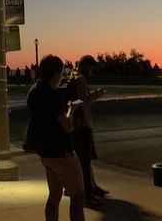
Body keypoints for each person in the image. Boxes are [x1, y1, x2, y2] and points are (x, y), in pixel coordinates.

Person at [26, 54, 85, 221]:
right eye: (61, 74)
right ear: (56, 74)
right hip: (60, 152)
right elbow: (66, 126)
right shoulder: (51, 95)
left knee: (54, 196)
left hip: (45, 151)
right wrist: (71, 110)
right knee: (78, 196)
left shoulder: (34, 91)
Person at [68, 55, 108, 205]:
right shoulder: (80, 79)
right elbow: (82, 101)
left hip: (76, 125)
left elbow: (78, 100)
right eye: (91, 67)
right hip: (82, 125)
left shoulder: (72, 75)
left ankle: (92, 186)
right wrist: (97, 94)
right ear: (85, 65)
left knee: (83, 160)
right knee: (84, 161)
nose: (92, 70)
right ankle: (88, 194)